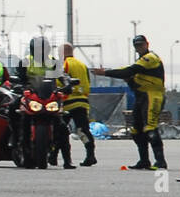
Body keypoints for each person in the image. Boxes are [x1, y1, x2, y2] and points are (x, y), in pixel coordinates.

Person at [94, 35, 166, 170]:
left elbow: (129, 71)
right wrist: (130, 80)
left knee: (150, 128)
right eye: (137, 46)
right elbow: (132, 78)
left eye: (141, 44)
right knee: (136, 130)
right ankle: (144, 160)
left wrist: (106, 73)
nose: (139, 47)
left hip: (152, 96)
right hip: (141, 97)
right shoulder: (140, 62)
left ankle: (160, 161)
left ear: (147, 44)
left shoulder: (150, 58)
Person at [16, 36, 73, 169]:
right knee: (16, 114)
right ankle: (22, 151)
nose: (41, 52)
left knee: (63, 127)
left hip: (49, 97)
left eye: (43, 49)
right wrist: (20, 86)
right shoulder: (25, 62)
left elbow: (62, 76)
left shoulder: (53, 62)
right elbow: (19, 77)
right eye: (38, 49)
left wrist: (67, 84)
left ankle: (67, 160)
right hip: (30, 96)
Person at [59, 43, 96, 167]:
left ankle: (53, 156)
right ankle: (90, 155)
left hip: (68, 102)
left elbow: (60, 82)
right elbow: (88, 82)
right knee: (83, 130)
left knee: (59, 130)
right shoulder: (83, 65)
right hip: (83, 101)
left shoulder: (65, 64)